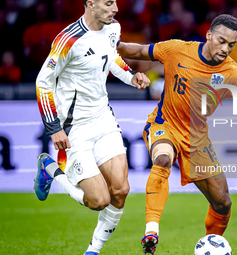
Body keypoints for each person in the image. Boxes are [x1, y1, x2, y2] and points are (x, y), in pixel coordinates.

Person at [117, 14, 237, 254]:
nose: (226, 49)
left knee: (222, 202)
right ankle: (151, 231)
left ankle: (211, 245)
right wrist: (109, 44)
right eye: (221, 41)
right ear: (209, 35)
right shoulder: (177, 50)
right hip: (165, 124)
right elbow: (138, 51)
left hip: (197, 138)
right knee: (162, 159)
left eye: (231, 45)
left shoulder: (232, 72)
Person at [33, 0, 150, 254]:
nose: (116, 8)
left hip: (103, 118)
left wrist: (131, 76)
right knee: (99, 201)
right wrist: (54, 128)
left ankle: (93, 250)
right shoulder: (68, 40)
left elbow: (112, 59)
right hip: (75, 127)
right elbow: (43, 82)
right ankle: (49, 168)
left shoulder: (113, 28)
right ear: (90, 4)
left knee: (121, 190)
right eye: (109, 3)